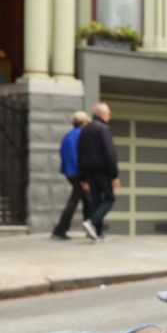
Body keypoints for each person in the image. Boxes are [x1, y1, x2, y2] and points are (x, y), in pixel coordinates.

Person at [78, 102, 120, 240]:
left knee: (96, 201)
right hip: (102, 170)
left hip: (89, 172)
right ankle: (92, 221)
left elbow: (80, 153)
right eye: (109, 113)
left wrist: (82, 177)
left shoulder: (85, 129)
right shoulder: (103, 129)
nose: (110, 116)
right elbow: (110, 152)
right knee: (109, 198)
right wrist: (114, 174)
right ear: (103, 114)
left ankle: (97, 232)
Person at [51, 110, 92, 240]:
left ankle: (89, 226)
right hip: (78, 172)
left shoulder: (68, 136)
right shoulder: (82, 135)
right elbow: (81, 157)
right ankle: (61, 229)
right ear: (84, 122)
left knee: (86, 199)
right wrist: (83, 177)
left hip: (70, 172)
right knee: (76, 200)